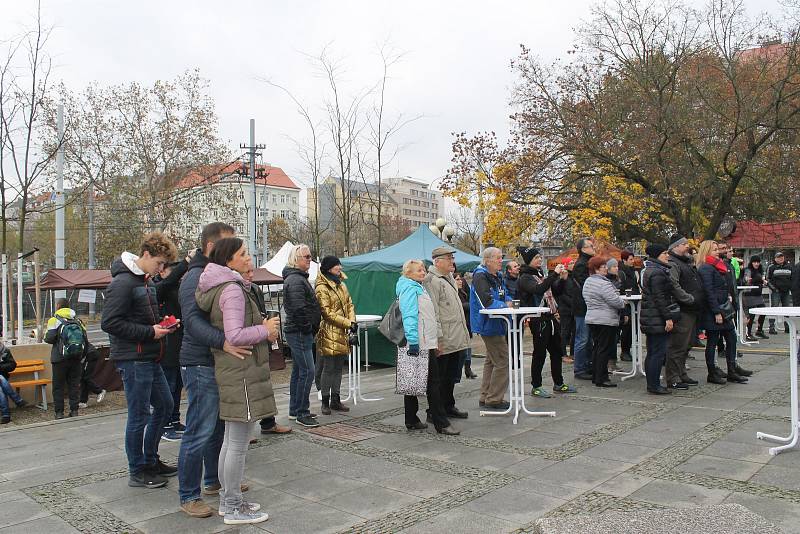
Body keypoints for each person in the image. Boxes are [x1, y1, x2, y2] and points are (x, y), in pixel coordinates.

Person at [178, 223, 261, 518]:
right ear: (215, 249)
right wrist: (224, 343)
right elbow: (193, 321)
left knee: (217, 429)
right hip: (200, 360)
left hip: (214, 359)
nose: (244, 255)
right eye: (234, 248)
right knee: (199, 430)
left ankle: (215, 481)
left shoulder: (217, 277)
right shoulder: (196, 278)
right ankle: (189, 494)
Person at [195, 237, 280, 525]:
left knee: (231, 442)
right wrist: (264, 330)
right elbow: (234, 336)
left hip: (236, 372)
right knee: (237, 445)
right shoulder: (231, 290)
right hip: (241, 373)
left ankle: (228, 502)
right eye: (243, 254)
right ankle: (232, 506)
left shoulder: (225, 286)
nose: (248, 258)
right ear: (228, 260)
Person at [101, 232, 179, 489]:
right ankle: (138, 469)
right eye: (159, 263)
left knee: (165, 406)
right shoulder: (123, 283)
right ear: (146, 255)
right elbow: (110, 323)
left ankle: (150, 459)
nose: (161, 269)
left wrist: (163, 325)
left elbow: (141, 318)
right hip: (134, 359)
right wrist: (150, 332)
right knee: (139, 415)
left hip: (149, 356)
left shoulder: (143, 282)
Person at [398, 259, 459, 435]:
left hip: (424, 341)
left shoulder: (418, 287)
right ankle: (441, 423)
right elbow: (409, 316)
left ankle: (411, 419)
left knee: (412, 382)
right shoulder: (410, 289)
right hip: (418, 343)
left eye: (423, 269)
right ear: (408, 273)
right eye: (418, 270)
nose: (423, 272)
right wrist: (414, 342)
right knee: (433, 383)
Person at [516, 246, 577, 398]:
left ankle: (559, 383)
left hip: (550, 316)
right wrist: (554, 274)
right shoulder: (524, 277)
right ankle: (536, 386)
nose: (539, 259)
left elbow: (552, 291)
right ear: (529, 260)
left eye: (539, 257)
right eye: (536, 258)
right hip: (538, 319)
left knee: (557, 351)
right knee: (539, 353)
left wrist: (562, 280)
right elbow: (538, 289)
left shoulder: (539, 273)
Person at [239, 268, 293, 438]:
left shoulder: (254, 288)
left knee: (264, 384)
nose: (251, 274)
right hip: (246, 342)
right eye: (246, 271)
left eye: (250, 270)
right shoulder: (234, 290)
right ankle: (244, 430)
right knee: (247, 388)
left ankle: (268, 422)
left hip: (261, 338)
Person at [423, 246, 471, 420]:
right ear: (438, 261)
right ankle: (434, 411)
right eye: (449, 258)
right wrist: (438, 339)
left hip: (456, 335)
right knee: (440, 377)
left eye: (452, 257)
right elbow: (433, 311)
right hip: (445, 337)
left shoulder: (449, 277)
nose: (453, 261)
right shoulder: (431, 280)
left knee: (451, 376)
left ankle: (448, 405)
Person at [697, 240, 748, 385]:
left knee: (731, 338)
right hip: (715, 311)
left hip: (723, 308)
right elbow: (709, 291)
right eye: (714, 249)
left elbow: (720, 287)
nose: (717, 252)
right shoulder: (706, 268)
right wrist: (716, 312)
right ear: (706, 251)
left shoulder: (716, 266)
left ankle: (732, 370)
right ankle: (712, 372)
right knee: (712, 342)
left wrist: (727, 296)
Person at [283, 244, 322, 428]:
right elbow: (298, 308)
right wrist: (308, 327)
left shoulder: (298, 278)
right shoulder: (296, 280)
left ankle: (295, 409)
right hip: (299, 331)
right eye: (306, 256)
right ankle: (301, 412)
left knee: (299, 371)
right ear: (296, 259)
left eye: (310, 256)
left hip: (299, 330)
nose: (309, 259)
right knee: (308, 371)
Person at [471, 247, 513, 409]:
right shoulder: (481, 276)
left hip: (497, 322)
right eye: (497, 258)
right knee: (502, 361)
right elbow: (486, 302)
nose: (501, 260)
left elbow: (504, 294)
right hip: (488, 323)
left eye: (501, 257)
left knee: (491, 361)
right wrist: (505, 305)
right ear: (487, 260)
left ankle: (485, 395)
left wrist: (509, 302)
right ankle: (494, 399)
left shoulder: (497, 276)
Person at [153, 257, 190, 441]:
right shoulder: (158, 287)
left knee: (177, 385)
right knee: (169, 384)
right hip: (167, 345)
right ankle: (165, 424)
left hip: (179, 342)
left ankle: (174, 419)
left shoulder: (177, 287)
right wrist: (186, 262)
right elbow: (167, 283)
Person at [315, 255, 356, 416]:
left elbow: (350, 304)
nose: (339, 267)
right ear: (328, 268)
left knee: (339, 367)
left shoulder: (341, 285)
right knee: (328, 368)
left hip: (341, 332)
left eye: (339, 265)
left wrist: (351, 321)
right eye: (336, 265)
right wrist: (348, 323)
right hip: (328, 331)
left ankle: (336, 399)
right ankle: (325, 401)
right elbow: (326, 313)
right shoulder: (321, 287)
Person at [640, 244, 678, 395]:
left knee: (652, 352)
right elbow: (660, 298)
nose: (667, 256)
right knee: (657, 353)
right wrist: (668, 318)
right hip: (656, 318)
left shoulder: (652, 270)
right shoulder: (657, 273)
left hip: (651, 317)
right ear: (657, 256)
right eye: (664, 253)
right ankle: (654, 385)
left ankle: (653, 383)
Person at [583, 256, 625, 387]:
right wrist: (622, 302)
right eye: (603, 267)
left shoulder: (588, 282)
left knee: (597, 347)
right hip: (605, 319)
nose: (606, 268)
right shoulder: (604, 283)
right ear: (596, 269)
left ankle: (596, 375)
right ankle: (602, 378)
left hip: (592, 318)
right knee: (604, 349)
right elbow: (614, 300)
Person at [665, 234, 701, 389]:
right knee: (678, 345)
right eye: (684, 244)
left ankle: (681, 374)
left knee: (687, 345)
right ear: (675, 247)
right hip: (683, 310)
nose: (687, 246)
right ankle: (673, 377)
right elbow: (673, 285)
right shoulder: (673, 263)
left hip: (691, 309)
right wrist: (688, 298)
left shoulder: (685, 262)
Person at [45, 299, 88, 419]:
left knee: (58, 386)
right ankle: (74, 411)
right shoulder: (78, 321)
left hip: (59, 359)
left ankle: (59, 413)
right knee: (74, 385)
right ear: (69, 307)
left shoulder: (54, 320)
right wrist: (82, 356)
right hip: (75, 358)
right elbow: (85, 339)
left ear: (58, 306)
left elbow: (49, 338)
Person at [571, 237, 596, 380]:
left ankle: (587, 365)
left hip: (586, 306)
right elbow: (586, 285)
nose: (593, 248)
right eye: (590, 246)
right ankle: (579, 369)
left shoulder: (587, 262)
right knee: (583, 338)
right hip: (582, 307)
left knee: (588, 338)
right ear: (583, 249)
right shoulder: (581, 264)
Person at [604, 258, 627, 372]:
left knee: (615, 338)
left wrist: (625, 313)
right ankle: (608, 362)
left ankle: (613, 361)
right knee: (609, 339)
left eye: (617, 266)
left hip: (619, 312)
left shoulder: (619, 279)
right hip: (609, 313)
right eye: (614, 267)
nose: (616, 268)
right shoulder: (605, 281)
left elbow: (622, 295)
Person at [454, 271, 478, 380]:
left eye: (460, 279)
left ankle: (468, 369)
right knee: (462, 351)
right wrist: (470, 306)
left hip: (467, 323)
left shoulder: (464, 292)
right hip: (458, 325)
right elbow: (462, 306)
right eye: (457, 279)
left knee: (468, 347)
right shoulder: (454, 293)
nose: (460, 281)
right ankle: (458, 372)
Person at [619, 250, 639, 362]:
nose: (633, 261)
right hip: (626, 303)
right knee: (627, 329)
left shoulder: (632, 271)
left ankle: (628, 350)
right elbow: (622, 288)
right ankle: (625, 351)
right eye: (630, 259)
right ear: (624, 260)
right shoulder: (622, 272)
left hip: (634, 303)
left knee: (633, 329)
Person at [556, 257, 577, 363]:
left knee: (575, 331)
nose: (573, 264)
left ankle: (573, 353)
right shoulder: (563, 277)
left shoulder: (574, 276)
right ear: (566, 265)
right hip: (565, 309)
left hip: (574, 309)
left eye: (573, 262)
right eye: (571, 263)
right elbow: (560, 293)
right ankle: (563, 354)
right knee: (565, 332)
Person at [742, 256, 768, 341]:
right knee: (751, 315)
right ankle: (748, 334)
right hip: (749, 294)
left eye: (758, 262)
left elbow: (761, 280)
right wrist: (756, 280)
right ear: (751, 262)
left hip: (758, 294)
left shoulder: (760, 270)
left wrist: (763, 282)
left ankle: (759, 331)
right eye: (754, 262)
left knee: (763, 311)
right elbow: (746, 281)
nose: (756, 264)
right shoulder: (748, 270)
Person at [767, 251, 793, 334]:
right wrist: (773, 289)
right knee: (774, 309)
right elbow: (768, 279)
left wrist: (790, 287)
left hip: (786, 292)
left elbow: (792, 278)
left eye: (782, 257)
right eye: (778, 257)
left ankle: (788, 327)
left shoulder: (789, 267)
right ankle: (771, 327)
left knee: (787, 310)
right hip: (776, 292)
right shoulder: (771, 267)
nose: (780, 258)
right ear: (775, 259)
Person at [0, 343, 27, 424]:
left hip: (2, 376)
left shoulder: (3, 349)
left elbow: (12, 365)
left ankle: (6, 415)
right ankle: (17, 400)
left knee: (0, 388)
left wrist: (0, 367)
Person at [78, 341, 105, 409]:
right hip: (86, 356)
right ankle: (83, 401)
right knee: (82, 378)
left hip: (90, 355)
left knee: (86, 377)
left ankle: (100, 391)